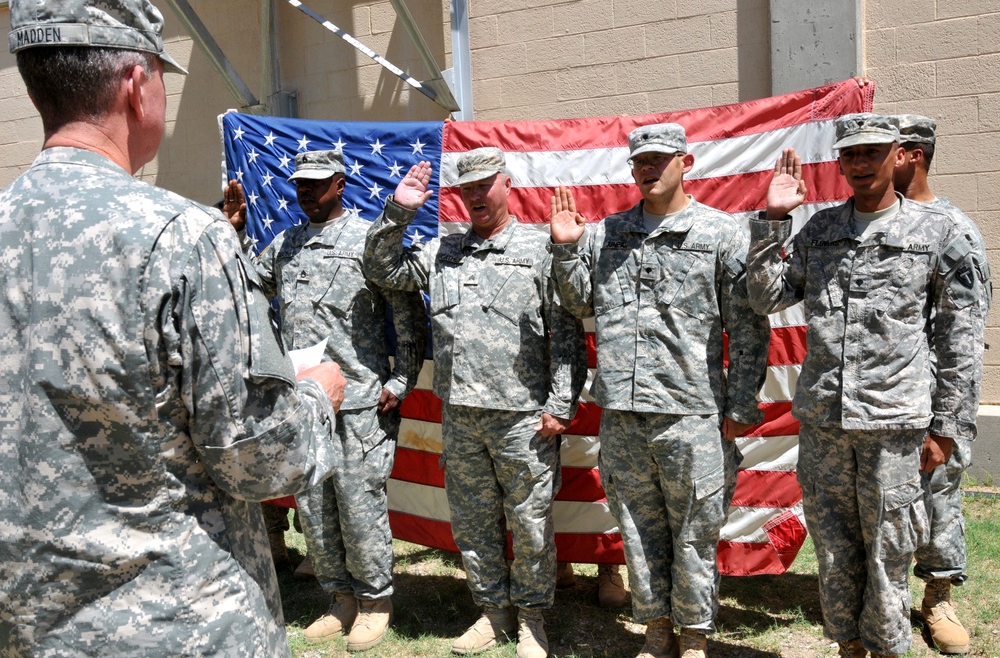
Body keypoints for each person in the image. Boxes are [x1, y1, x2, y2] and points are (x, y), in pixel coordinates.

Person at [0, 0, 348, 656]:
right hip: (180, 625)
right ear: (136, 84)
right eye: (161, 73)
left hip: (30, 627)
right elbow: (255, 458)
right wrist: (318, 398)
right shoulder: (181, 236)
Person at [747, 114, 985, 658]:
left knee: (890, 548)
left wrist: (947, 428)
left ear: (898, 155)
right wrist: (774, 220)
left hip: (894, 424)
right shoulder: (821, 229)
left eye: (872, 153)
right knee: (834, 547)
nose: (860, 164)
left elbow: (959, 342)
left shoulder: (937, 233)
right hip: (826, 423)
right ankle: (847, 645)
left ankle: (887, 647)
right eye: (850, 155)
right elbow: (766, 298)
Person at [549, 123, 771, 658]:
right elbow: (579, 304)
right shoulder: (607, 234)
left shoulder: (720, 234)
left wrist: (741, 404)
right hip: (623, 417)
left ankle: (693, 638)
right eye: (639, 162)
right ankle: (654, 631)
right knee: (639, 531)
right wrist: (565, 250)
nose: (648, 169)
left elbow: (745, 327)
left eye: (659, 159)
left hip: (691, 413)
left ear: (685, 163)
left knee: (695, 530)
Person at [363, 150, 587, 658]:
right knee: (473, 523)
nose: (477, 196)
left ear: (507, 185)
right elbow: (381, 270)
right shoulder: (445, 250)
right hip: (461, 416)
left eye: (486, 185)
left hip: (524, 419)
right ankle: (493, 613)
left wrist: (560, 403)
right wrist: (399, 212)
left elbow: (566, 331)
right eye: (468, 189)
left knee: (530, 525)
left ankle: (531, 620)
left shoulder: (538, 247)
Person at [223, 150, 426, 651]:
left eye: (317, 183)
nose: (306, 191)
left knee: (359, 508)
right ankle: (339, 599)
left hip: (359, 402)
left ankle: (375, 601)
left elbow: (406, 313)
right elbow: (245, 286)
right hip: (304, 403)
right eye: (300, 184)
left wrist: (401, 382)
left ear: (340, 184)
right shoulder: (286, 244)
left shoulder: (367, 241)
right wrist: (233, 233)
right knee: (314, 508)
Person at [891, 114, 991, 655]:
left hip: (933, 392)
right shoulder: (872, 221)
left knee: (937, 492)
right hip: (880, 395)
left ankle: (937, 595)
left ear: (912, 154)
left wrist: (948, 422)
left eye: (889, 149)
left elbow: (965, 336)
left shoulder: (953, 229)